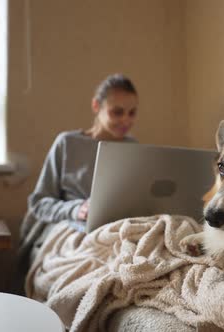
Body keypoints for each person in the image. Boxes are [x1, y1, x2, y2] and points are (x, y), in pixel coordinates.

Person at [18, 73, 138, 263]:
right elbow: (38, 203)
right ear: (96, 106)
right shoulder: (67, 143)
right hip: (76, 225)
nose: (126, 120)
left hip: (122, 227)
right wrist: (77, 209)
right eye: (117, 112)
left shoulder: (134, 148)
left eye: (132, 113)